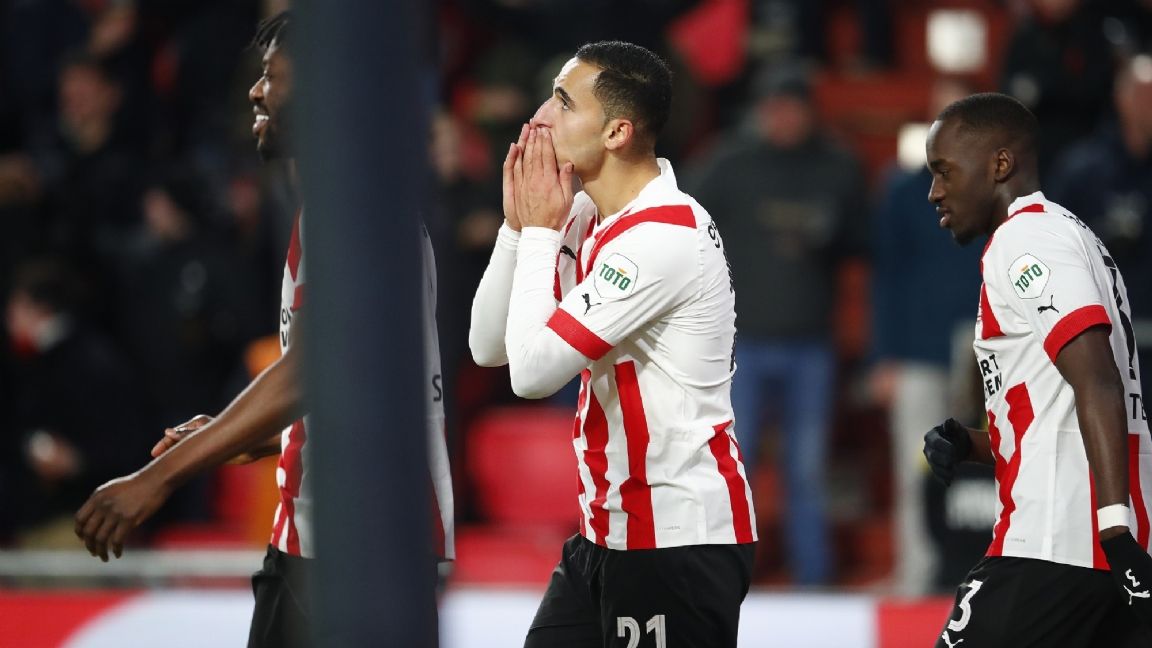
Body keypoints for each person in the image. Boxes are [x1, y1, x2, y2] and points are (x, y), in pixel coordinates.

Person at [73, 11, 454, 647]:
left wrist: (157, 479)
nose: (255, 91)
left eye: (272, 75)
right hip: (321, 547)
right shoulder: (342, 205)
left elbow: (313, 369)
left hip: (353, 557)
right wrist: (247, 436)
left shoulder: (355, 211)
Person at [469, 41, 756, 647]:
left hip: (676, 540)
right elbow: (487, 347)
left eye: (563, 102)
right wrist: (517, 227)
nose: (540, 118)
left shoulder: (662, 234)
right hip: (605, 534)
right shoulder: (583, 214)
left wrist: (539, 233)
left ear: (617, 132)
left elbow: (531, 375)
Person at [921, 92, 1152, 647]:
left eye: (944, 171)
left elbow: (1097, 379)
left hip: (1054, 547)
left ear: (1000, 164)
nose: (934, 192)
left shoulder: (1027, 240)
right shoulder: (1071, 235)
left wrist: (1114, 531)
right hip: (1093, 550)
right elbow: (1059, 409)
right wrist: (973, 444)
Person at [688, 63, 867, 586]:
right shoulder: (728, 163)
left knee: (806, 468)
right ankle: (724, 577)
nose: (784, 118)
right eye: (775, 108)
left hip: (811, 343)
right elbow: (683, 224)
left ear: (810, 112)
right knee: (731, 463)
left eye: (793, 108)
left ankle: (813, 579)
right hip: (739, 343)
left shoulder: (838, 166)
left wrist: (832, 233)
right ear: (761, 112)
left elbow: (866, 241)